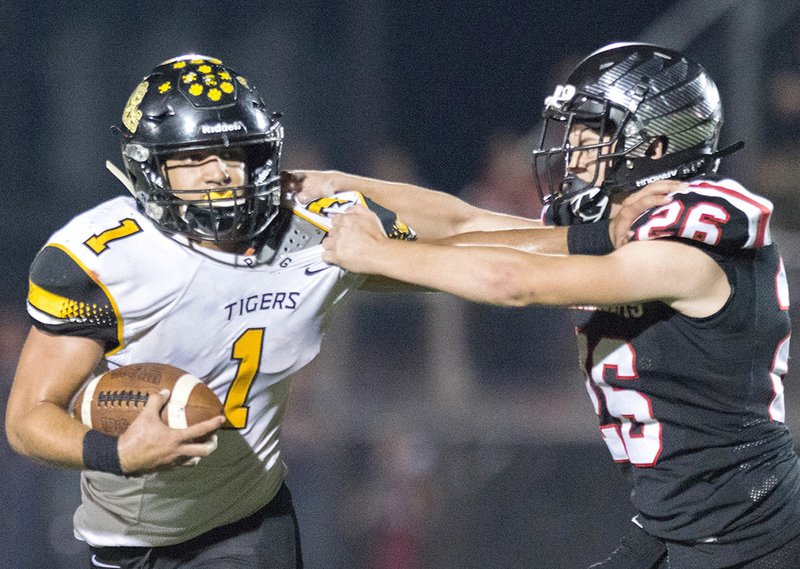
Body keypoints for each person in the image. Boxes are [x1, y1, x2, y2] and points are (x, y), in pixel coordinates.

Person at [292, 43, 800, 568]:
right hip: (672, 523)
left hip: (747, 536)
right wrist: (343, 185)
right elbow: (468, 223)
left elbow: (514, 281)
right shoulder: (621, 228)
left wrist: (380, 252)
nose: (572, 159)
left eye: (589, 140)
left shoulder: (689, 247)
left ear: (655, 146)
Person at [3, 54, 425, 569]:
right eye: (196, 156)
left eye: (236, 153)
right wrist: (119, 453)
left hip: (246, 521)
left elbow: (462, 250)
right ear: (151, 166)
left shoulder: (310, 229)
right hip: (124, 537)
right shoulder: (105, 258)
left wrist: (551, 247)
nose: (222, 173)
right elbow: (27, 419)